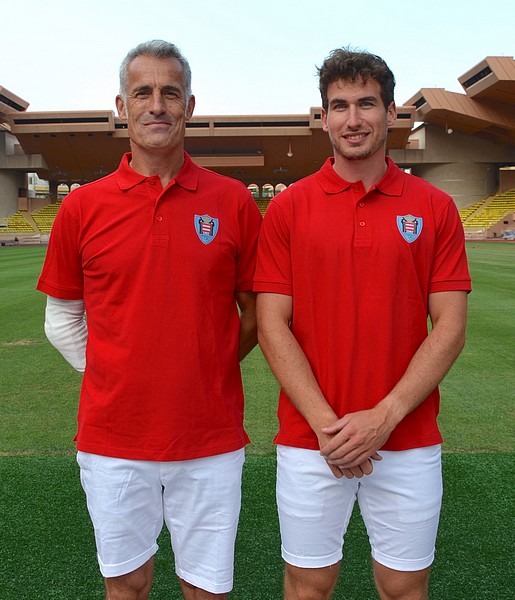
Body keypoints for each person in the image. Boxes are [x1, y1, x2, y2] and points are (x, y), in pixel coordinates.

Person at [37, 40, 262, 600]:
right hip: (113, 439)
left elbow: (259, 311)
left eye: (170, 92)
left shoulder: (232, 201)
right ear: (122, 105)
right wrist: (118, 371)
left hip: (208, 436)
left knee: (206, 590)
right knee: (127, 586)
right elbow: (61, 319)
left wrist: (205, 361)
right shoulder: (82, 207)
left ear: (188, 105)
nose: (156, 105)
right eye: (143, 92)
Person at [254, 48, 471, 600]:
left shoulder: (435, 207)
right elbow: (271, 324)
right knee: (308, 584)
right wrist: (330, 427)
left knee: (403, 587)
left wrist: (385, 416)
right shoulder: (287, 210)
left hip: (408, 438)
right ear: (323, 117)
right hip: (310, 440)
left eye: (367, 104)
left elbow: (449, 326)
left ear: (391, 112)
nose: (354, 119)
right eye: (340, 105)